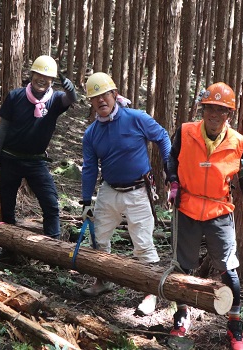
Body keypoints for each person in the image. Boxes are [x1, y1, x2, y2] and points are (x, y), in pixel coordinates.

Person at [166, 82, 243, 350]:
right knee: (182, 269)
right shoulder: (185, 132)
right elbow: (171, 158)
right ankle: (181, 317)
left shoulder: (238, 143)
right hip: (186, 208)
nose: (214, 115)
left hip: (219, 211)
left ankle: (235, 326)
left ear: (228, 114)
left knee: (229, 271)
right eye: (210, 108)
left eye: (221, 110)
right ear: (203, 108)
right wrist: (173, 182)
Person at [80, 72, 171, 316]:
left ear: (114, 94)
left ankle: (150, 293)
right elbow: (89, 168)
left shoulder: (136, 118)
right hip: (109, 190)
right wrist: (85, 200)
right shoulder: (91, 134)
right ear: (91, 102)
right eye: (95, 97)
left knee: (143, 242)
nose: (101, 101)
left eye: (104, 95)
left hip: (138, 191)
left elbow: (162, 137)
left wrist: (169, 167)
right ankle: (103, 280)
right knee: (99, 239)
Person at [0, 55, 77, 240]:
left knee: (51, 204)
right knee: (6, 206)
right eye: (38, 74)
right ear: (32, 74)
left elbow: (70, 100)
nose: (41, 80)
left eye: (47, 77)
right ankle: (8, 249)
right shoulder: (15, 96)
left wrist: (71, 91)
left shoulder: (55, 99)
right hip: (9, 159)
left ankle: (54, 248)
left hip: (36, 161)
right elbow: (3, 129)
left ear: (52, 81)